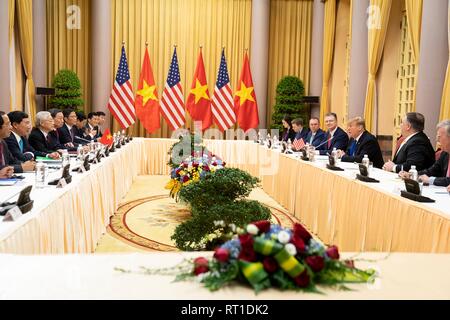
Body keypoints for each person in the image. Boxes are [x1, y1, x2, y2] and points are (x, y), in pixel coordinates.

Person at [399, 120, 450, 187]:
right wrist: (412, 175)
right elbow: (432, 171)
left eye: (439, 137)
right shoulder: (445, 154)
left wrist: (430, 180)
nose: (437, 140)